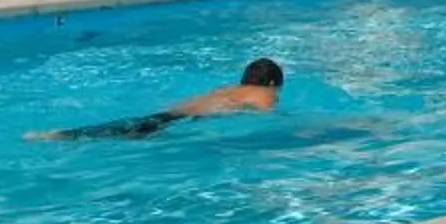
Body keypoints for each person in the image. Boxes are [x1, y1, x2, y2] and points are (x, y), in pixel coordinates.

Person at [32, 58, 284, 142]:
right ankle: (63, 137)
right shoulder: (264, 92)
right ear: (272, 82)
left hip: (174, 113)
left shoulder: (229, 88)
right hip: (185, 120)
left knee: (125, 129)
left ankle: (62, 134)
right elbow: (267, 118)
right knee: (123, 137)